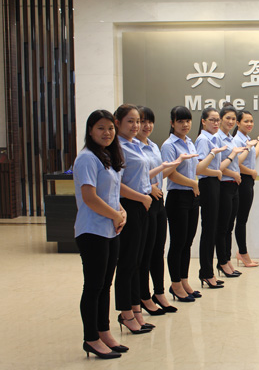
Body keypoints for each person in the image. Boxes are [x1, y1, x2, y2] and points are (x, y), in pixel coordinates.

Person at [114, 104, 182, 333]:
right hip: (132, 205)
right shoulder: (118, 147)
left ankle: (135, 309)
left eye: (139, 121)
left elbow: (142, 175)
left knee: (140, 259)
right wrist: (143, 195)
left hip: (145, 204)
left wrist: (165, 167)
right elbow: (117, 183)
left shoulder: (138, 145)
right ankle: (127, 312)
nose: (138, 126)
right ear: (118, 123)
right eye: (132, 121)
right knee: (129, 263)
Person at [74, 109, 126, 359]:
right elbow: (90, 197)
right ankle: (91, 338)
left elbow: (111, 193)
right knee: (93, 286)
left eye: (110, 128)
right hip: (92, 230)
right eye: (101, 128)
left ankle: (104, 332)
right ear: (90, 131)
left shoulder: (106, 156)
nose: (107, 133)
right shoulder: (86, 158)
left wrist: (121, 211)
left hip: (110, 230)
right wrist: (115, 215)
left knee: (105, 285)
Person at [138, 106, 197, 312]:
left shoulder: (158, 145)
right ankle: (167, 287)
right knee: (171, 245)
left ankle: (170, 287)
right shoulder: (167, 145)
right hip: (167, 197)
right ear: (172, 123)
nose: (185, 124)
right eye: (180, 121)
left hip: (168, 198)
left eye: (188, 120)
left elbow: (162, 171)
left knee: (175, 245)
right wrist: (149, 186)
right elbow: (169, 174)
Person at [195, 107, 228, 288]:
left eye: (217, 120)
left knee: (213, 229)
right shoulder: (203, 139)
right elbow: (200, 168)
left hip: (214, 183)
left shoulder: (214, 138)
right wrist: (216, 172)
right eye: (212, 120)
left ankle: (209, 272)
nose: (216, 123)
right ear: (203, 121)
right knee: (208, 230)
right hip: (207, 184)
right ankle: (206, 272)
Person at [215, 104, 247, 277]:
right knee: (222, 227)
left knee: (229, 227)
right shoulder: (217, 138)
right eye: (227, 118)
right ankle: (222, 261)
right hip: (224, 185)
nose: (231, 121)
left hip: (234, 186)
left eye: (233, 119)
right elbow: (217, 166)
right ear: (220, 119)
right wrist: (233, 173)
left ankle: (227, 260)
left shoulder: (230, 139)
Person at [232, 110, 259, 267]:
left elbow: (254, 154)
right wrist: (251, 172)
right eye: (246, 121)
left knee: (242, 219)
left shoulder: (246, 139)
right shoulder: (237, 140)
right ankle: (243, 254)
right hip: (242, 180)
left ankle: (242, 252)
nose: (249, 124)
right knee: (241, 220)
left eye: (251, 121)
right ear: (238, 123)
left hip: (247, 181)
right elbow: (236, 163)